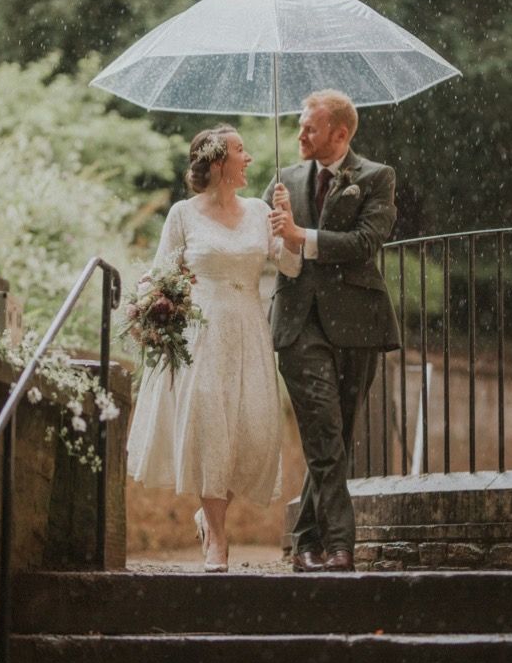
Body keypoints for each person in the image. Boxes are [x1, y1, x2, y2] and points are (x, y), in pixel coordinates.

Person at [127, 125, 301, 571]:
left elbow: (291, 266)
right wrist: (145, 307)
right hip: (200, 333)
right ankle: (217, 541)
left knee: (244, 427)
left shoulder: (262, 210)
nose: (249, 157)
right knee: (210, 424)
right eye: (241, 151)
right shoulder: (184, 215)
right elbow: (160, 272)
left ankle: (210, 517)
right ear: (219, 161)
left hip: (247, 330)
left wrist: (289, 225)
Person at [266, 90, 401, 572]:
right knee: (324, 428)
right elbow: (272, 256)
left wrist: (303, 237)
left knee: (337, 434)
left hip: (357, 325)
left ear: (340, 134)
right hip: (298, 324)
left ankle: (305, 539)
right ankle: (342, 544)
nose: (300, 133)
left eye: (310, 127)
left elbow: (367, 243)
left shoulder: (375, 177)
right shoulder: (281, 182)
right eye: (301, 125)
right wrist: (278, 232)